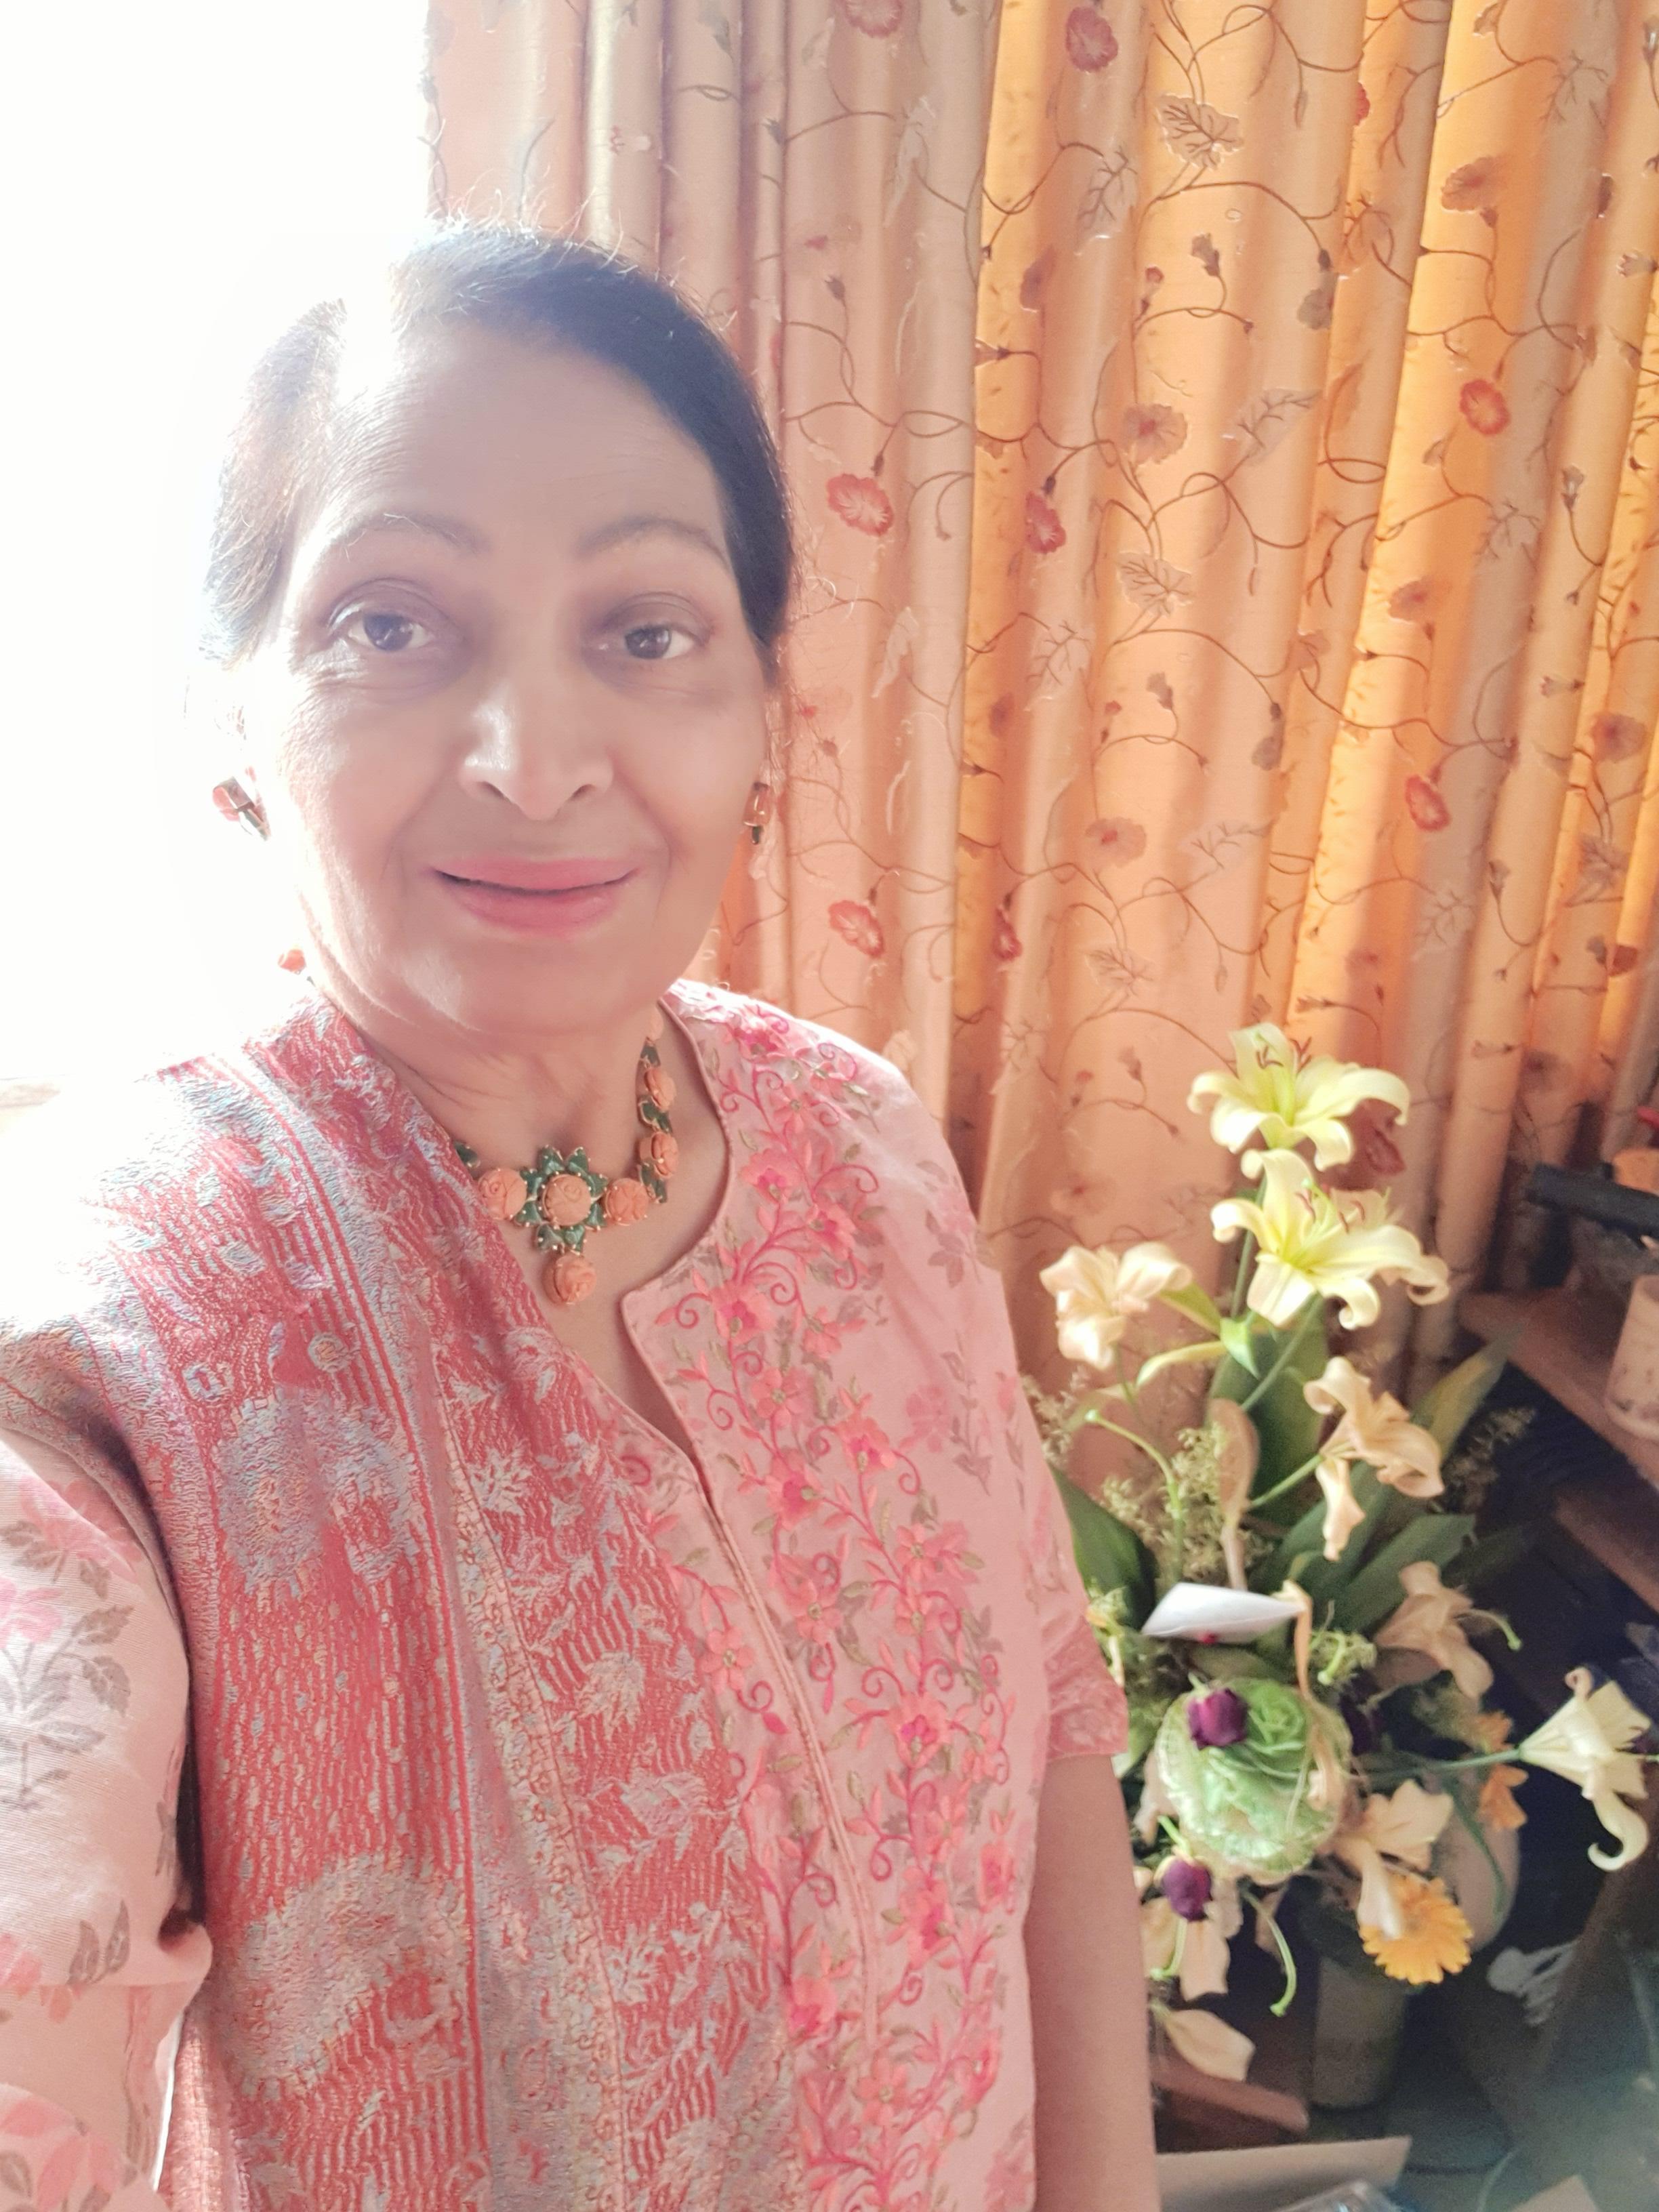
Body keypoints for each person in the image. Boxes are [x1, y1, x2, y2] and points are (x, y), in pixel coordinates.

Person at [0, 226, 1155, 2212]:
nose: (535, 766)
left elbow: (1051, 1720)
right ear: (233, 721)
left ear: (764, 714)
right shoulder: (111, 1321)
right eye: (389, 623)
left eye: (647, 630)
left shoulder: (860, 1144)